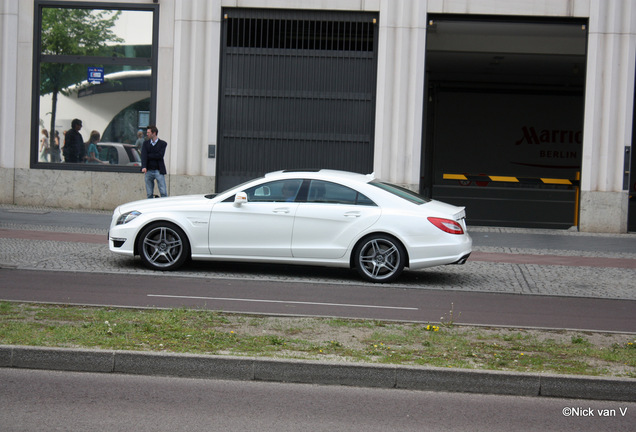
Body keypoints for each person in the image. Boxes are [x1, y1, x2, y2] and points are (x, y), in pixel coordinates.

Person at [141, 125, 168, 198]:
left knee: (163, 192)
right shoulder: (145, 144)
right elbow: (143, 156)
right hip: (148, 170)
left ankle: (165, 206)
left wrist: (148, 155)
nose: (147, 134)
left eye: (148, 132)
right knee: (149, 193)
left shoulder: (162, 144)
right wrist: (144, 166)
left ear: (154, 133)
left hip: (158, 170)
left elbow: (160, 155)